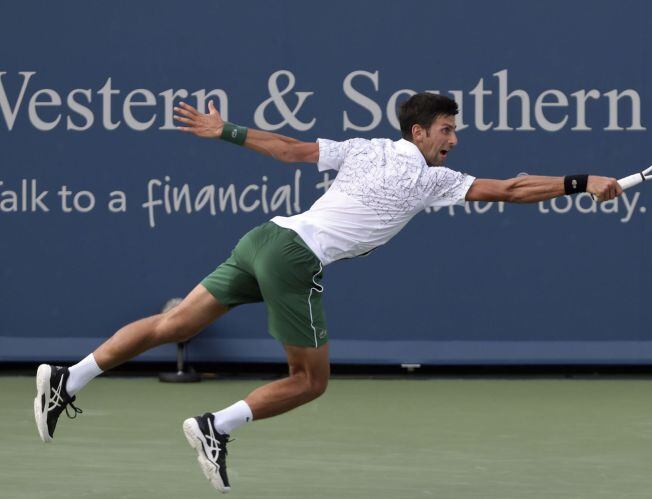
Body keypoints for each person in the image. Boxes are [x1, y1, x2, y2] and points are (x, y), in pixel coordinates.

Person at [33, 93, 622, 493]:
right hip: (296, 258)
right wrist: (581, 182)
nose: (454, 140)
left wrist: (226, 130)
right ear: (419, 131)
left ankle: (69, 377)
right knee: (310, 382)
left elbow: (290, 150)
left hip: (265, 236)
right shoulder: (431, 176)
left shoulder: (366, 148)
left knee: (176, 325)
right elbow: (513, 191)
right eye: (447, 130)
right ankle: (215, 427)